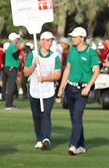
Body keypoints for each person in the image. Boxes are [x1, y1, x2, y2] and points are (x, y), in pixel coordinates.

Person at [57, 26, 100, 155]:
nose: (73, 39)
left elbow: (96, 71)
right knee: (74, 118)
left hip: (82, 90)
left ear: (82, 38)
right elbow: (68, 70)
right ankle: (81, 144)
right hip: (70, 88)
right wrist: (61, 88)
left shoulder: (90, 53)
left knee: (77, 116)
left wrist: (88, 87)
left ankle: (73, 145)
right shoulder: (72, 51)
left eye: (75, 37)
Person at [22, 31, 62, 150]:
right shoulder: (33, 55)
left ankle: (46, 138)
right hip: (35, 90)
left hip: (48, 91)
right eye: (47, 40)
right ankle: (39, 138)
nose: (49, 43)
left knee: (45, 114)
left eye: (51, 41)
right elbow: (25, 72)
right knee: (36, 115)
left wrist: (44, 78)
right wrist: (34, 65)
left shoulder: (55, 57)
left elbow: (57, 75)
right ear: (41, 41)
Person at [3, 32, 21, 110]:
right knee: (11, 87)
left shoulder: (10, 46)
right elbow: (15, 55)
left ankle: (9, 103)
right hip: (11, 68)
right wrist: (20, 49)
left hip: (8, 67)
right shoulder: (13, 46)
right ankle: (8, 104)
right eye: (17, 38)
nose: (18, 40)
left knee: (9, 86)